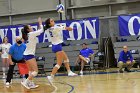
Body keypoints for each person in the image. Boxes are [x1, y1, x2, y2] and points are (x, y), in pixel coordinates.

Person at [44, 18, 77, 84]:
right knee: (59, 63)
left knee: (66, 59)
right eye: (52, 21)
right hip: (57, 46)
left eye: (53, 20)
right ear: (49, 24)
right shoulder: (54, 28)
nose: (53, 21)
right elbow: (65, 28)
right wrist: (70, 28)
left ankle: (69, 72)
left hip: (56, 45)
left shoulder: (49, 29)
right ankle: (51, 76)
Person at [21, 17, 44, 89]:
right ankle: (26, 82)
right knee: (35, 71)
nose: (31, 27)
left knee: (30, 70)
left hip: (26, 54)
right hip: (29, 55)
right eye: (30, 26)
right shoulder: (31, 34)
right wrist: (40, 23)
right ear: (28, 29)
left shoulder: (28, 35)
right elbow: (41, 30)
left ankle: (30, 84)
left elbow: (37, 32)